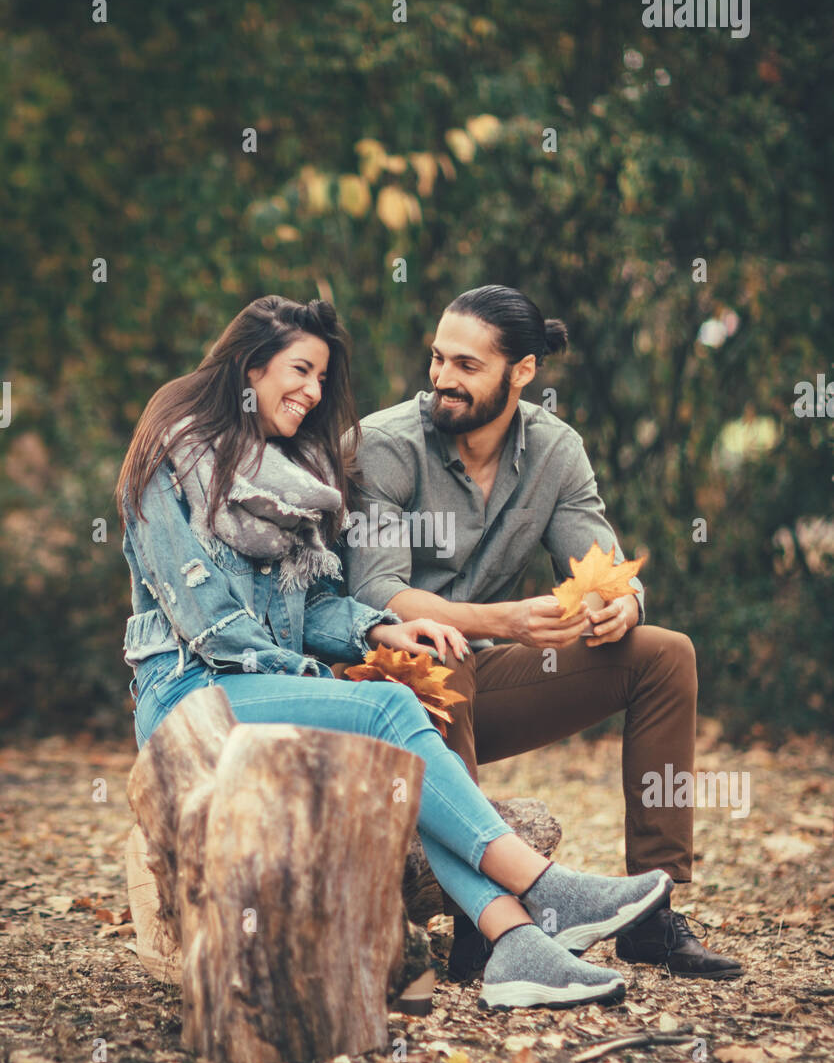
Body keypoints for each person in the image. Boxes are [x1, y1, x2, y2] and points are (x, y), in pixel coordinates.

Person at [115, 293, 673, 1012]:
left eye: (322, 378)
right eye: (300, 371)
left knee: (396, 728)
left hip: (267, 692)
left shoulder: (294, 475)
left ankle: (513, 942)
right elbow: (209, 621)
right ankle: (542, 887)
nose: (314, 393)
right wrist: (322, 679)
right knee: (385, 705)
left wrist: (378, 629)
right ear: (251, 368)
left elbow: (312, 602)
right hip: (188, 696)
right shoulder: (171, 458)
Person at [343, 284, 742, 982]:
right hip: (387, 696)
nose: (442, 378)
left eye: (467, 365)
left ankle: (653, 912)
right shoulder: (385, 446)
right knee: (442, 650)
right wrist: (500, 620)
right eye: (438, 359)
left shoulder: (556, 450)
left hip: (482, 688)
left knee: (665, 656)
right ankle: (490, 923)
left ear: (521, 371)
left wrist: (623, 602)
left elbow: (602, 565)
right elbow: (375, 592)